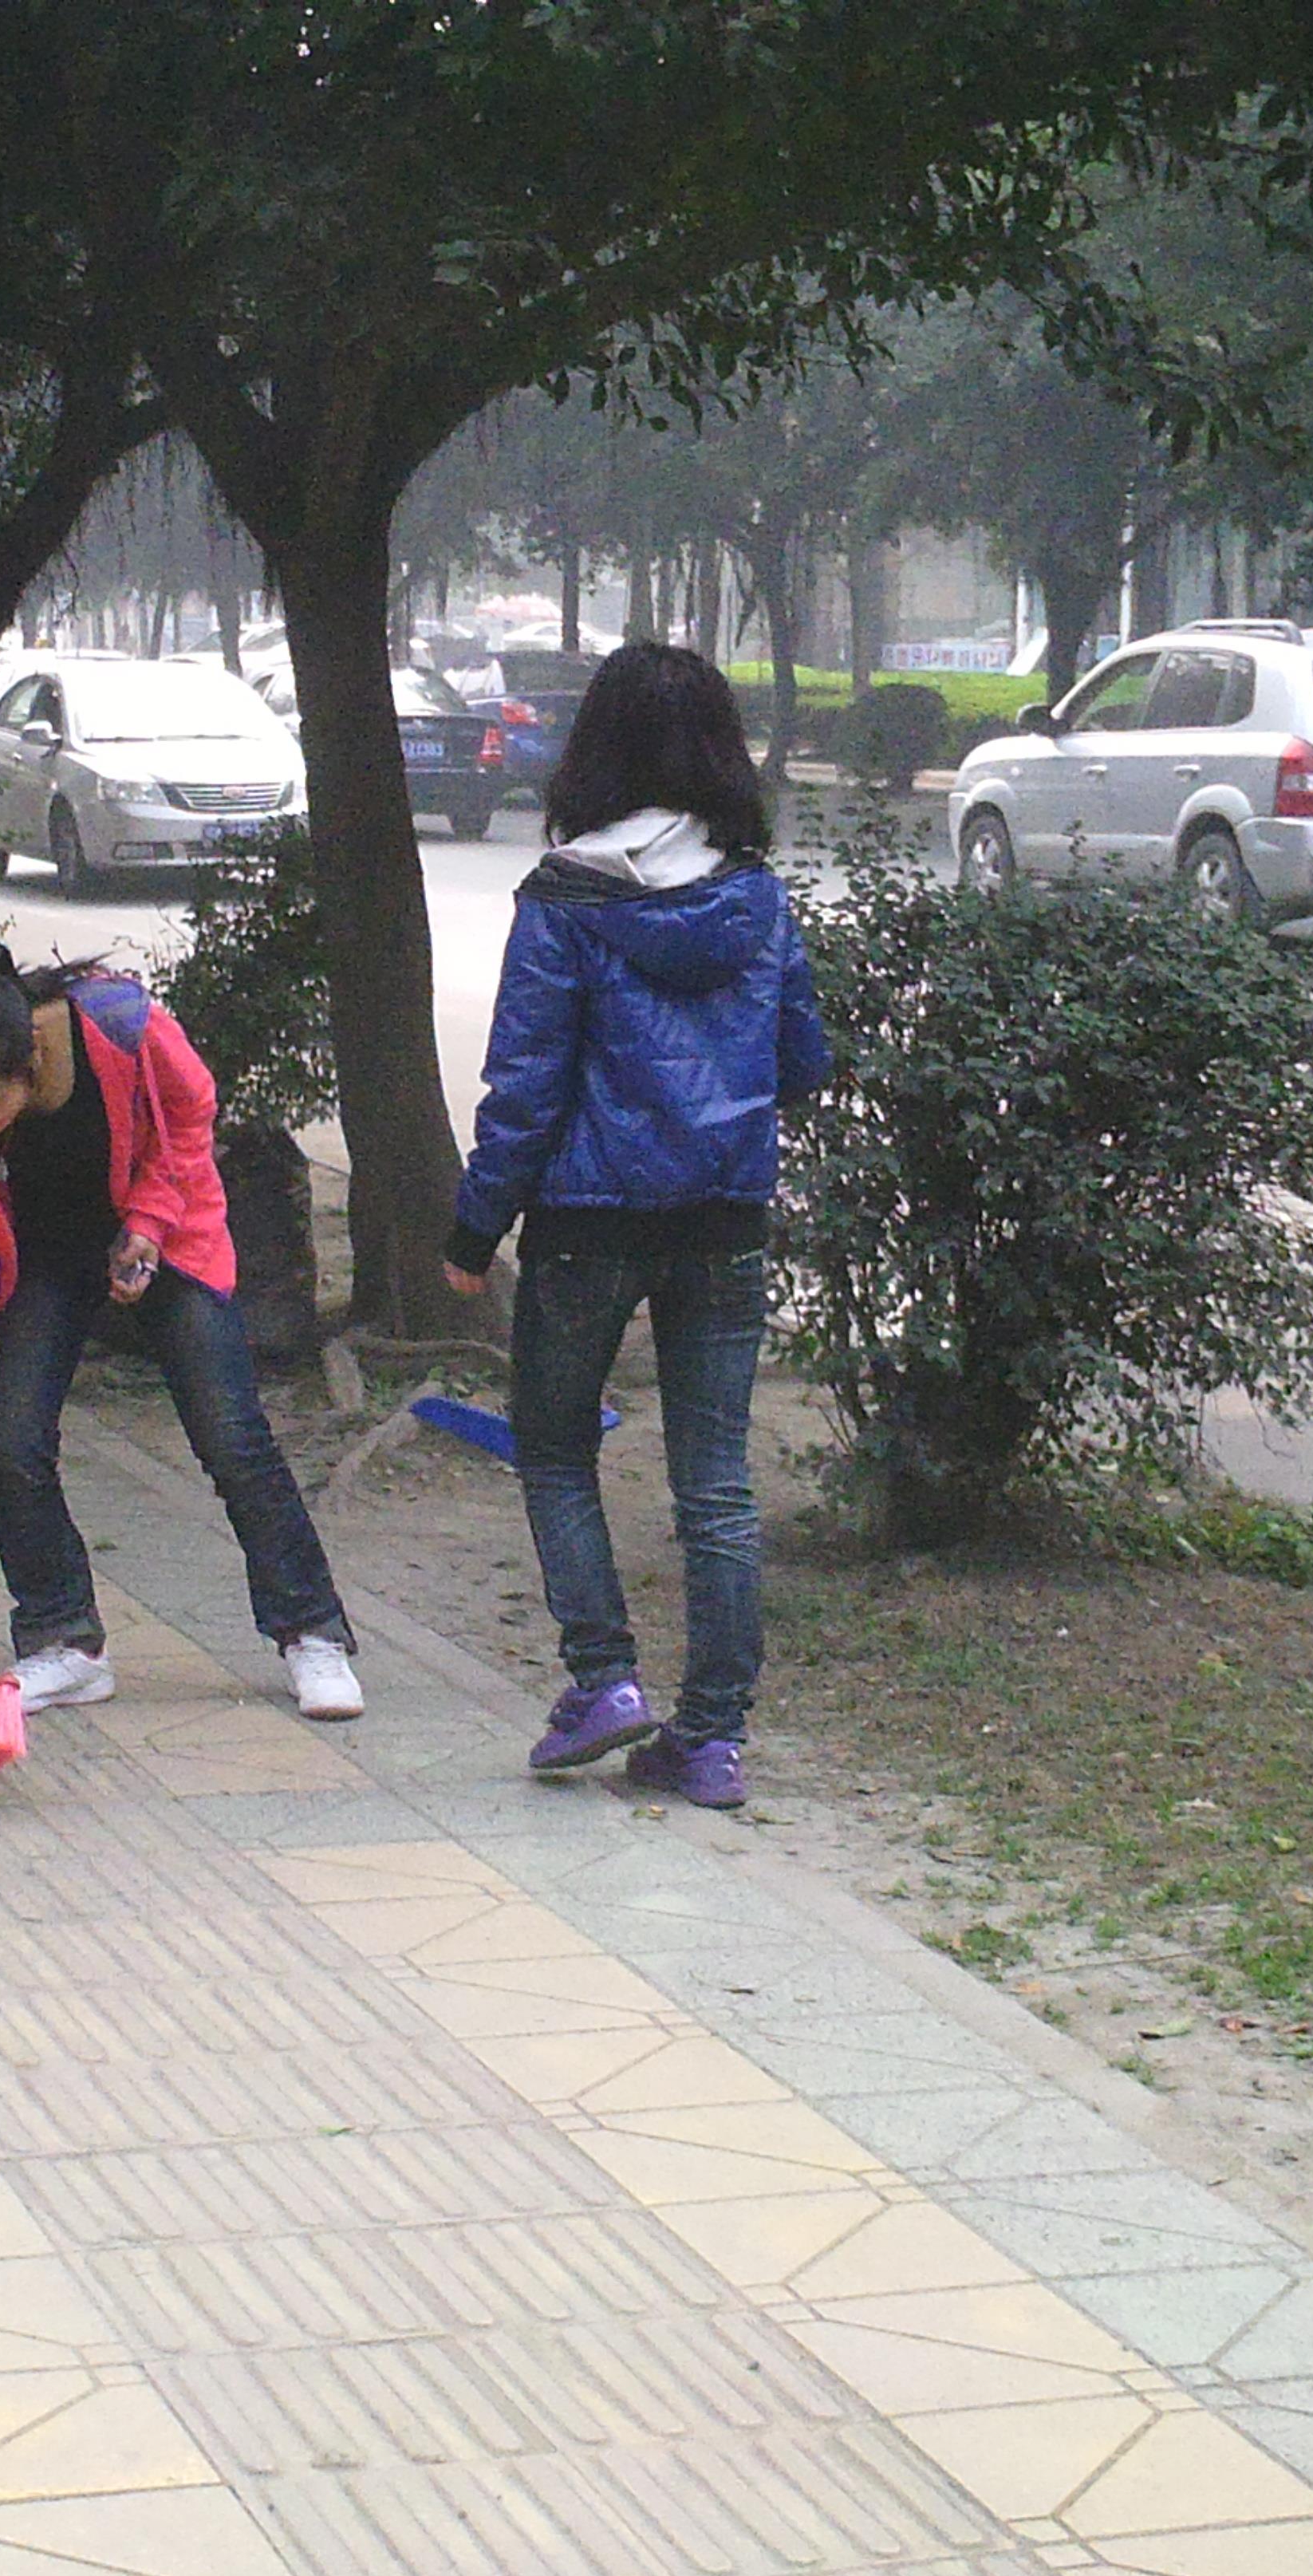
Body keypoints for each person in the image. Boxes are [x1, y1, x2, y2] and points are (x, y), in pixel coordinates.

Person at [440, 641, 827, 1812]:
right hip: (726, 1216)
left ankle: (604, 1681)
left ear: (595, 749)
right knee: (715, 1485)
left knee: (555, 1447)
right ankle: (711, 1743)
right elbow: (804, 1062)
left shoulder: (565, 897)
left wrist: (473, 1231)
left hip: (588, 1223)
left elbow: (526, 1088)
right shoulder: (757, 897)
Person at [0, 944, 362, 1722]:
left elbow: (190, 1118)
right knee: (8, 1442)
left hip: (166, 1236)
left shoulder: (119, 1026)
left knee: (232, 1437)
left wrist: (148, 1221)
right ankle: (63, 1641)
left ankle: (311, 1631)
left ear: (27, 1057)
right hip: (39, 1257)